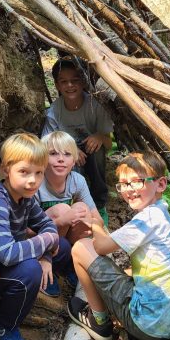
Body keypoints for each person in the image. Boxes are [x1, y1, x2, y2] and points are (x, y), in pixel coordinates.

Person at [0, 133, 76, 340]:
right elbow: (6, 255)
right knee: (29, 271)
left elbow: (46, 224)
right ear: (6, 170)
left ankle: (71, 282)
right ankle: (1, 323)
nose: (33, 180)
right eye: (24, 172)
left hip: (6, 256)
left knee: (62, 245)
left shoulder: (25, 198)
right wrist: (45, 243)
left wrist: (47, 255)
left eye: (39, 173)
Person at [67, 151, 170, 340]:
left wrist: (95, 223)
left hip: (147, 324)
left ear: (160, 184)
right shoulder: (161, 213)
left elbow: (101, 247)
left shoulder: (146, 219)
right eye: (124, 184)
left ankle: (99, 321)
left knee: (80, 248)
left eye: (137, 181)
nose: (129, 189)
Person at [41, 57, 114, 225]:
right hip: (70, 155)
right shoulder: (55, 111)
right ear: (57, 85)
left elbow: (109, 143)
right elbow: (45, 145)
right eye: (64, 81)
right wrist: (72, 151)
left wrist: (100, 136)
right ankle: (77, 203)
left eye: (74, 80)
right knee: (68, 160)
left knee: (97, 150)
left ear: (83, 81)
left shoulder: (94, 105)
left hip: (92, 151)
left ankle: (99, 204)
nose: (69, 85)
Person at [36, 131, 104, 296]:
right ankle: (45, 266)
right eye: (53, 153)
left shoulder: (77, 181)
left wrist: (86, 220)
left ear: (74, 161)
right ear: (43, 159)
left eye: (67, 154)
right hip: (40, 242)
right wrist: (62, 219)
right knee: (62, 209)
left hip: (64, 241)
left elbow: (99, 220)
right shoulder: (36, 182)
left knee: (82, 208)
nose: (61, 159)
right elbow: (26, 230)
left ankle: (72, 262)